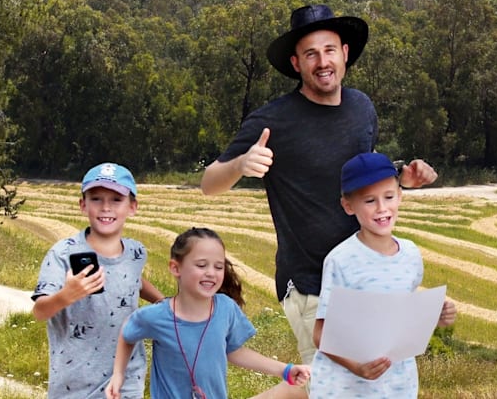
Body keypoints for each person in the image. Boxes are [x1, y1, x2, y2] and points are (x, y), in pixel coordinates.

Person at [200, 4, 438, 370]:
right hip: (312, 283)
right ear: (296, 64)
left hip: (365, 276)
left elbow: (363, 175)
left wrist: (402, 176)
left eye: (329, 50)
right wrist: (240, 165)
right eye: (310, 54)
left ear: (344, 54)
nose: (322, 61)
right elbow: (209, 183)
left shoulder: (362, 108)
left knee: (378, 382)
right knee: (334, 385)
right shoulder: (273, 119)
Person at [309, 152, 456, 397]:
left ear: (399, 196)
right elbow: (321, 334)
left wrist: (436, 315)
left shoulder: (410, 254)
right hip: (346, 389)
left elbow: (405, 317)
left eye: (388, 197)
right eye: (369, 201)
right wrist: (356, 367)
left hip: (397, 385)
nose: (381, 208)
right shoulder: (341, 260)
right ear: (348, 205)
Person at [105, 227, 311, 399]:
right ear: (175, 268)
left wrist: (284, 370)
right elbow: (127, 332)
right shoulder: (157, 316)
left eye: (218, 266)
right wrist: (118, 374)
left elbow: (233, 351)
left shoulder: (226, 308)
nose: (211, 272)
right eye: (201, 265)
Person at [32, 162, 164, 398]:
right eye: (96, 199)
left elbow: (133, 279)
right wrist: (67, 295)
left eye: (116, 200)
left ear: (132, 207)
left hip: (127, 380)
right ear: (83, 205)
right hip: (74, 386)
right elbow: (40, 311)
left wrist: (162, 302)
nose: (106, 207)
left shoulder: (136, 252)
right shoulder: (62, 254)